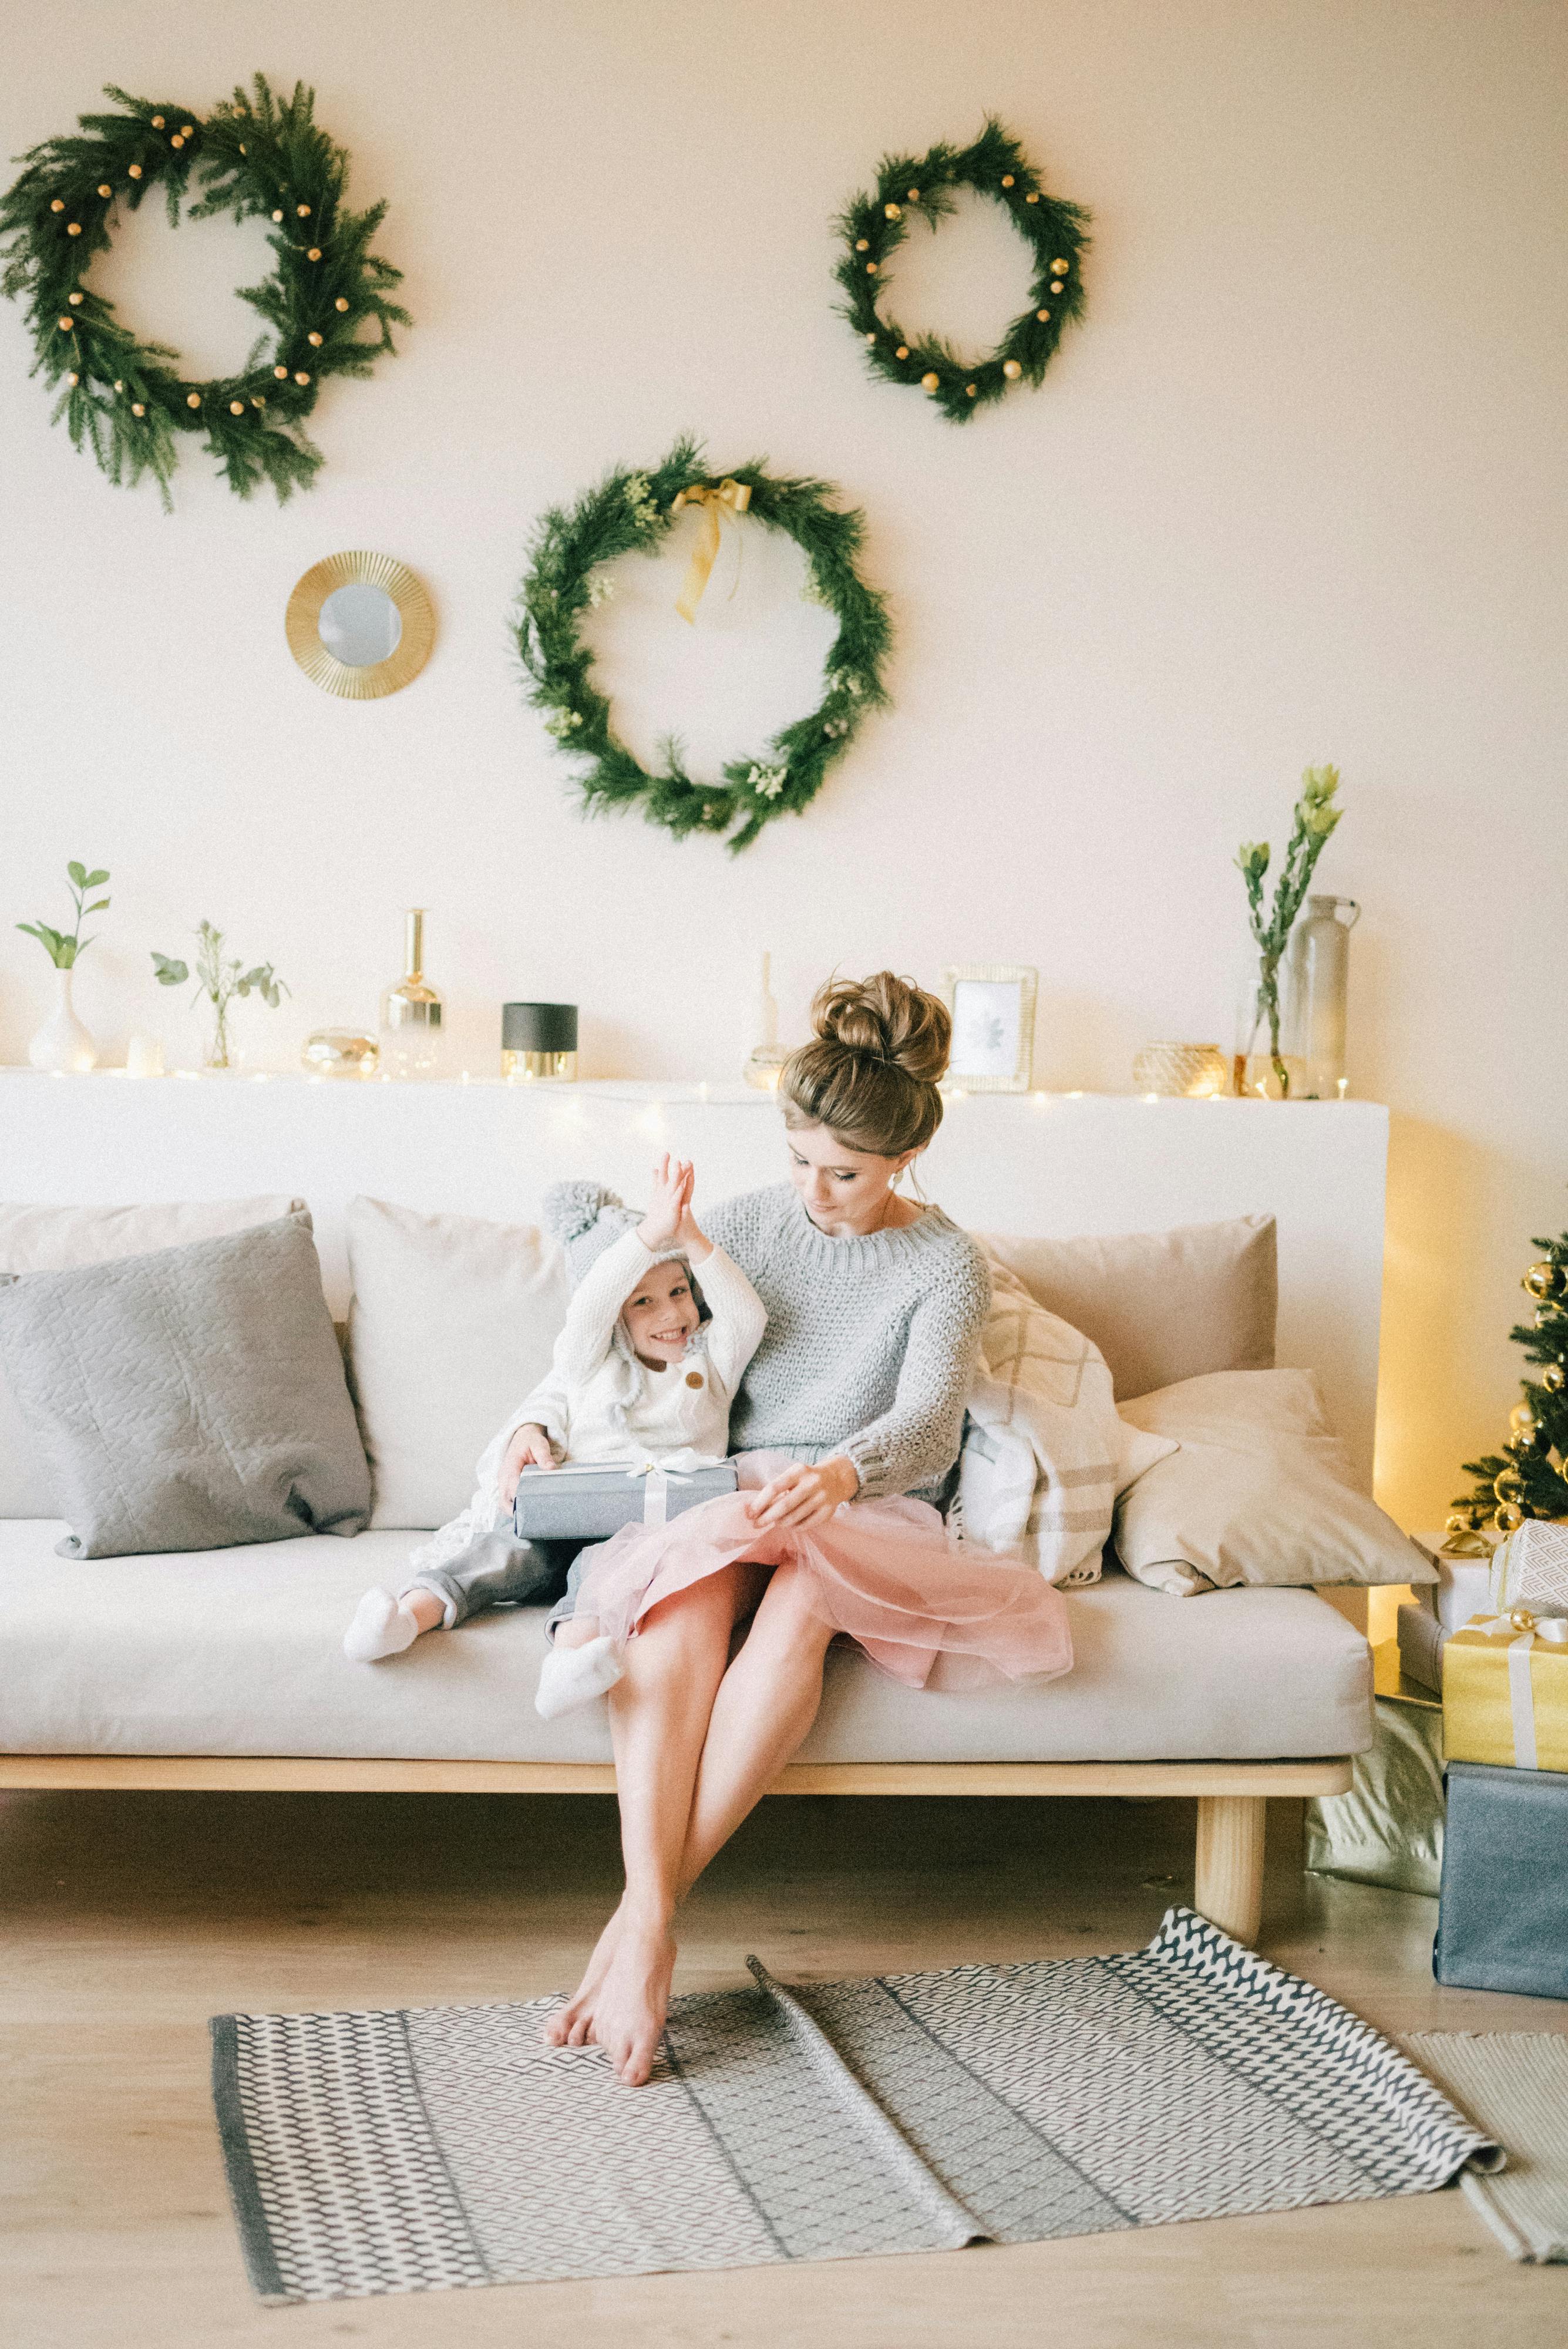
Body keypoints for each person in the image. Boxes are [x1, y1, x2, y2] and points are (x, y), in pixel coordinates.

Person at [545, 972, 1071, 2088]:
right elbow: (603, 1336)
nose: (816, 1193)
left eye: (846, 1174)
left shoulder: (945, 1262)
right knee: (680, 1594)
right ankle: (650, 1921)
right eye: (800, 1163)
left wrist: (842, 1471)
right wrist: (532, 1427)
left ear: (902, 1161)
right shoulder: (737, 1225)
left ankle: (641, 1930)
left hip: (862, 1499)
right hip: (737, 1484)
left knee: (799, 1609)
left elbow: (926, 1424)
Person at [342, 1154, 765, 1685]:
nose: (671, 1315)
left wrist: (690, 1236)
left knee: (604, 1577)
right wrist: (649, 1235)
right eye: (644, 1302)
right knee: (501, 1553)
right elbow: (590, 1305)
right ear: (615, 1317)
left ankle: (568, 1663)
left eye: (679, 1292)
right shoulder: (589, 1363)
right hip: (562, 1511)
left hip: (639, 1531)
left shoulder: (711, 1365)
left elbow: (747, 1315)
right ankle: (405, 1618)